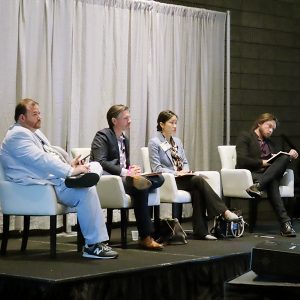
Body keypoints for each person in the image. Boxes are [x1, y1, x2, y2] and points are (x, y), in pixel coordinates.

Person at [0, 98, 118, 259]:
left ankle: (94, 243)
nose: (39, 117)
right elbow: (41, 160)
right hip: (35, 187)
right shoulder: (17, 135)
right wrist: (70, 170)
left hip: (53, 181)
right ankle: (93, 245)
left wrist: (70, 164)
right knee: (86, 188)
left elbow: (49, 156)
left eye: (39, 113)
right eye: (35, 114)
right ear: (22, 118)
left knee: (93, 172)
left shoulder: (33, 133)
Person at [148, 110, 239, 240]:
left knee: (197, 189)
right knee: (198, 181)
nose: (174, 126)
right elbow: (156, 168)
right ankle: (224, 211)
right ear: (162, 124)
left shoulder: (177, 141)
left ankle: (201, 232)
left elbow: (185, 162)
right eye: (171, 123)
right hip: (169, 180)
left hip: (183, 178)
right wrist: (176, 173)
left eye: (176, 123)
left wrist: (185, 171)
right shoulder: (155, 142)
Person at [90, 104, 165, 250]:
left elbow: (124, 165)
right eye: (126, 118)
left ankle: (142, 185)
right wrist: (126, 172)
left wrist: (132, 169)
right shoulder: (103, 136)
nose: (130, 120)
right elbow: (100, 161)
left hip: (124, 179)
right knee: (141, 187)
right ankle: (146, 237)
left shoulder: (125, 139)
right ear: (114, 121)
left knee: (159, 178)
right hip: (110, 181)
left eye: (129, 117)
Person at [236, 112, 298, 237]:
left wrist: (289, 156)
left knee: (285, 158)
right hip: (250, 173)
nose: (270, 130)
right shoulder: (246, 136)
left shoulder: (270, 143)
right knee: (272, 182)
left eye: (273, 129)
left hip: (265, 175)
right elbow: (242, 160)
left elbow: (276, 163)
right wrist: (263, 163)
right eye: (268, 126)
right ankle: (285, 224)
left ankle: (258, 187)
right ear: (259, 123)